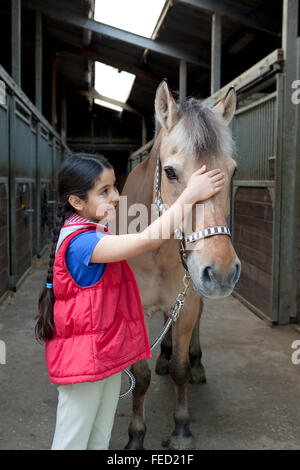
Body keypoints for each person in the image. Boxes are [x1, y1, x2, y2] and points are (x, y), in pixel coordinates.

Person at [35, 153, 225, 450]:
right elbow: (149, 239)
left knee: (99, 437)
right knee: (71, 443)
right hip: (85, 364)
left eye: (115, 187)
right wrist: (189, 196)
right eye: (105, 191)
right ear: (76, 202)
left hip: (105, 357)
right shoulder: (82, 243)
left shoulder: (93, 230)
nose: (116, 198)